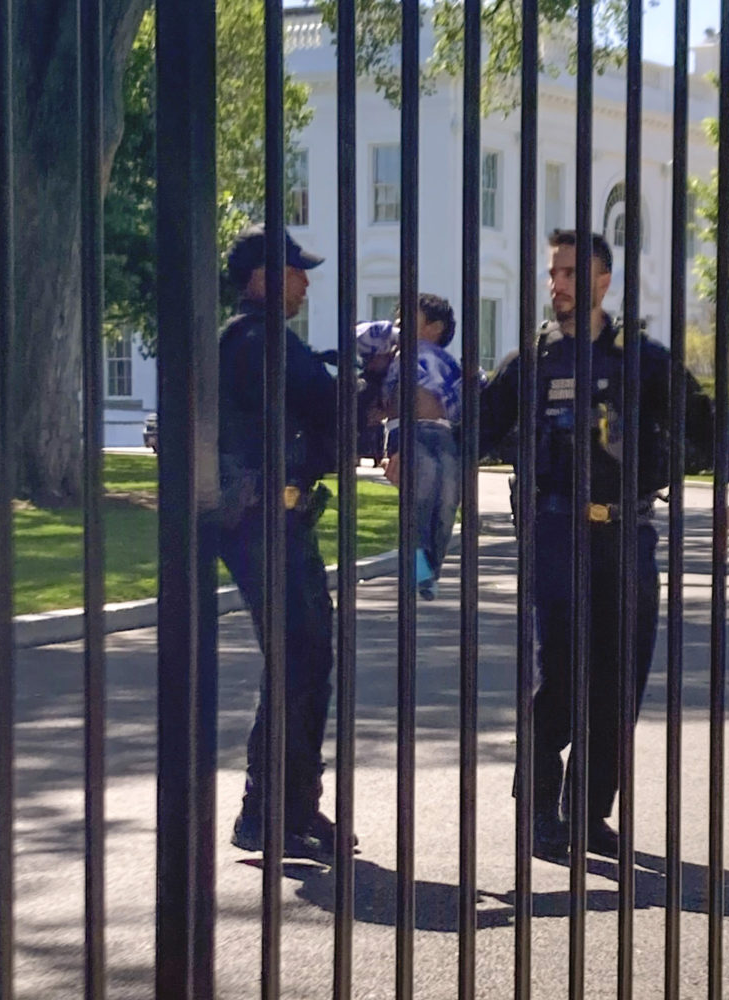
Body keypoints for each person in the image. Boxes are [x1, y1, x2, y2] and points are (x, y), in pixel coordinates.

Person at [479, 228, 729, 861]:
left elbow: (704, 423)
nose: (558, 285)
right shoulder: (533, 361)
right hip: (554, 531)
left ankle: (588, 812)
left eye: (571, 273)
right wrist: (415, 452)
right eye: (553, 273)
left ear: (603, 279)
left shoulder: (644, 359)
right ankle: (541, 808)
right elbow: (478, 428)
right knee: (561, 676)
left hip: (628, 533)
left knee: (621, 679)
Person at [205, 223, 346, 863]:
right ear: (264, 276)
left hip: (279, 519)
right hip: (261, 521)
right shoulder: (259, 343)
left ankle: (291, 803)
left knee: (310, 655)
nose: (306, 281)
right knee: (298, 657)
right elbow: (327, 412)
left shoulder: (260, 343)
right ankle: (263, 810)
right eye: (296, 270)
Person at [358, 294, 464, 600]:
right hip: (408, 433)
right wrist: (391, 335)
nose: (400, 325)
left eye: (408, 319)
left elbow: (466, 397)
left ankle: (431, 568)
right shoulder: (395, 355)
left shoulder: (444, 361)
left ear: (434, 328)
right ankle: (417, 573)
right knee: (420, 499)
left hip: (443, 433)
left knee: (446, 503)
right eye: (398, 319)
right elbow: (357, 337)